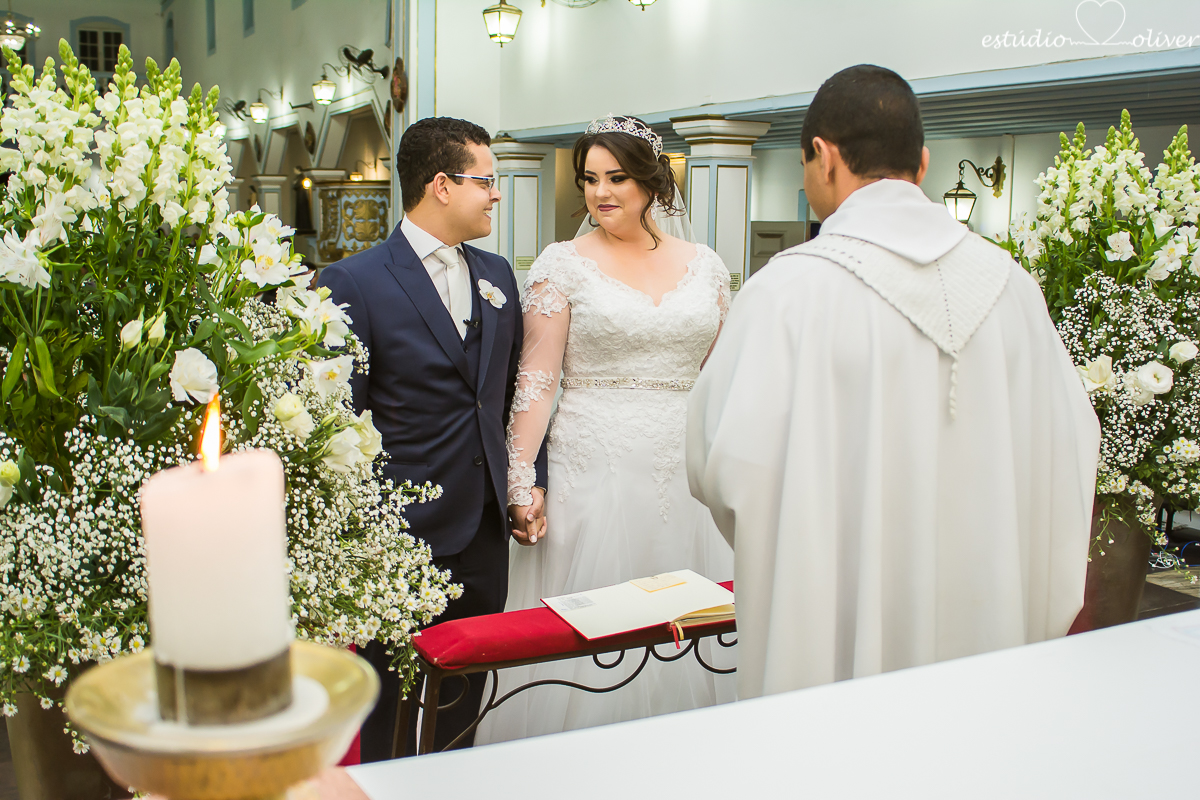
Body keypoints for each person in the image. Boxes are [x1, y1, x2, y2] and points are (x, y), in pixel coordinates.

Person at [687, 65, 1100, 700]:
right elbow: (1070, 453)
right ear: (923, 164)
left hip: (833, 631)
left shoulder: (787, 292)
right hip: (987, 635)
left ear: (823, 157)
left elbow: (722, 463)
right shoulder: (1013, 287)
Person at [474, 116, 736, 744]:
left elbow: (721, 378)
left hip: (686, 472)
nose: (601, 193)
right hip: (592, 465)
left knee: (692, 611)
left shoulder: (707, 266)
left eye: (616, 178)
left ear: (651, 182)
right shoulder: (562, 265)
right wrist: (520, 482)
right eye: (590, 180)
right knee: (597, 615)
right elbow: (536, 382)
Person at [318, 117, 546, 759]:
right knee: (387, 709)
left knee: (465, 705)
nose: (496, 195)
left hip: (483, 530)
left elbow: (516, 394)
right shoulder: (354, 281)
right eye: (486, 181)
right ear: (441, 185)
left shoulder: (497, 273)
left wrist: (526, 485)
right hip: (399, 533)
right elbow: (340, 420)